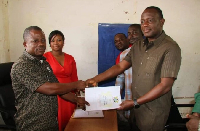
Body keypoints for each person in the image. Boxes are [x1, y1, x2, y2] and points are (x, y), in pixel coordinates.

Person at [86, 6, 181, 131]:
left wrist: (135, 102)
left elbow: (165, 86)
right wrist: (94, 79)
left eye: (150, 20)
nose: (145, 25)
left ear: (161, 22)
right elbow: (120, 66)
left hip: (153, 113)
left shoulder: (170, 48)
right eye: (142, 21)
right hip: (135, 111)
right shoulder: (138, 46)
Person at [11, 26, 89, 131]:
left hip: (50, 121)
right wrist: (76, 84)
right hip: (32, 124)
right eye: (35, 41)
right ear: (25, 44)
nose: (41, 44)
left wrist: (77, 99)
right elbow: (50, 89)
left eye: (43, 40)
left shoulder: (43, 63)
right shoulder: (22, 65)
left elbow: (58, 88)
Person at [43, 30, 78, 131]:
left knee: (71, 122)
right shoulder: (45, 58)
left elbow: (74, 78)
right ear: (49, 43)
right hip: (54, 94)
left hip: (69, 93)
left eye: (59, 40)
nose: (56, 43)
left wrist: (76, 95)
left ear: (63, 42)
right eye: (53, 40)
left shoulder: (70, 58)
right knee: (56, 121)